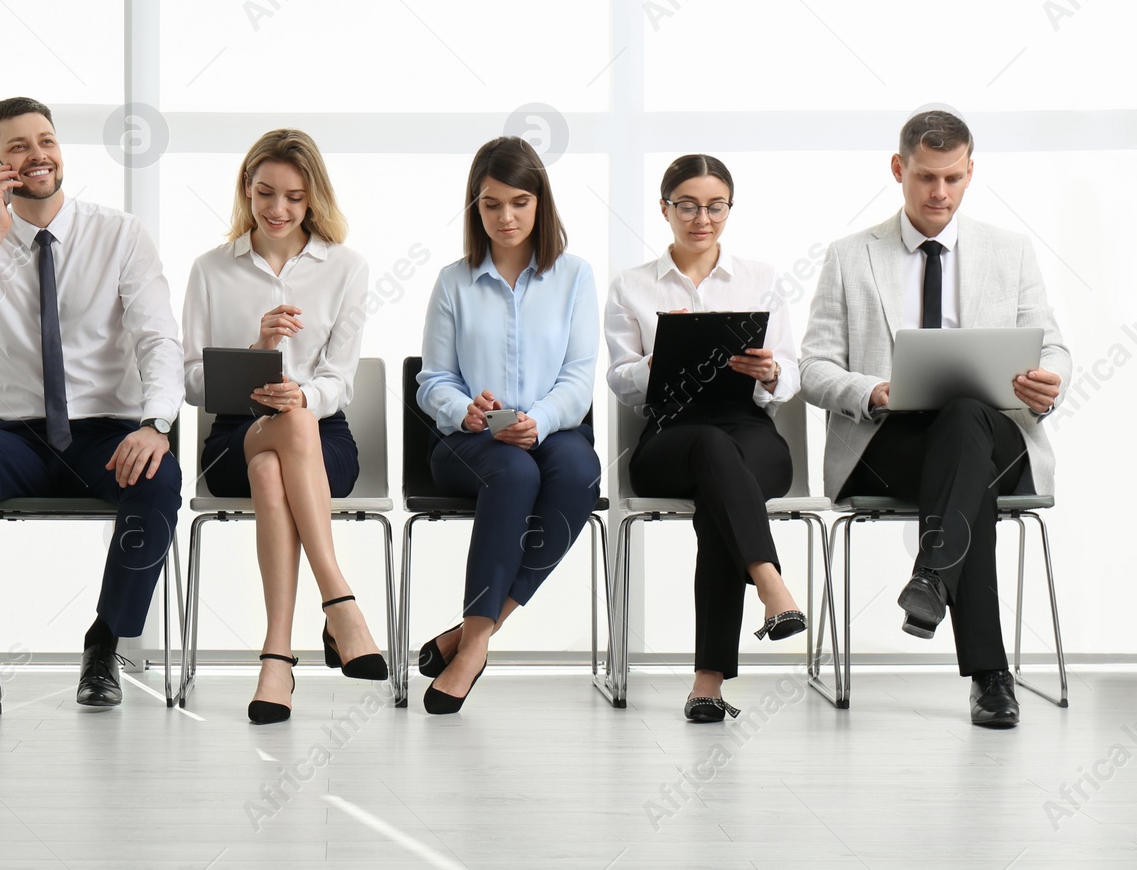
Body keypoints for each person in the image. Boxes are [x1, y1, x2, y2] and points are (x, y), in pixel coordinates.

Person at [800, 108, 1070, 728]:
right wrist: (873, 391)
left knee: (967, 418)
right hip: (887, 448)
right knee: (963, 471)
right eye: (925, 177)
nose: (939, 193)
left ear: (971, 172)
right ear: (899, 169)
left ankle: (930, 575)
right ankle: (989, 677)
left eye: (952, 178)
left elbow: (1053, 347)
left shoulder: (1010, 252)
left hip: (994, 441)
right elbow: (813, 368)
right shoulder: (849, 256)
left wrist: (1048, 381)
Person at [0, 96, 184, 725]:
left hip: (107, 434)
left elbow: (158, 339)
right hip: (15, 437)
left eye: (46, 140)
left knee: (160, 473)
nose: (37, 154)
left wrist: (155, 425)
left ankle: (105, 643)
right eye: (17, 146)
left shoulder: (118, 235)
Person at [181, 129, 388, 725]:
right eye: (265, 193)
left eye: (295, 197)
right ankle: (339, 603)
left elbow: (340, 381)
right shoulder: (211, 270)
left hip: (324, 439)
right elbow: (191, 383)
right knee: (278, 437)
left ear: (313, 198)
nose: (277, 210)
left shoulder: (346, 268)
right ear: (246, 188)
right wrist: (257, 348)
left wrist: (302, 393)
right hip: (231, 437)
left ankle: (276, 658)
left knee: (281, 452)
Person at [604, 154, 807, 722]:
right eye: (688, 206)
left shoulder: (761, 278)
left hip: (748, 425)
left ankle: (708, 684)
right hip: (671, 432)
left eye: (715, 206)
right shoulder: (633, 286)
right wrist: (662, 359)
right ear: (664, 208)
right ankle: (771, 586)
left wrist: (769, 372)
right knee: (714, 458)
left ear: (728, 209)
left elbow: (790, 373)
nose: (702, 218)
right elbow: (621, 382)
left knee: (724, 486)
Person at [414, 136, 601, 714]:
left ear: (540, 203)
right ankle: (474, 648)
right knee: (515, 476)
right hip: (469, 442)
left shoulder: (574, 277)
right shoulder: (454, 282)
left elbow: (579, 378)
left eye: (519, 202)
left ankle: (472, 638)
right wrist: (461, 408)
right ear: (476, 208)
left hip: (554, 432)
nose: (506, 216)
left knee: (577, 474)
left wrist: (540, 421)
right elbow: (432, 380)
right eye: (491, 204)